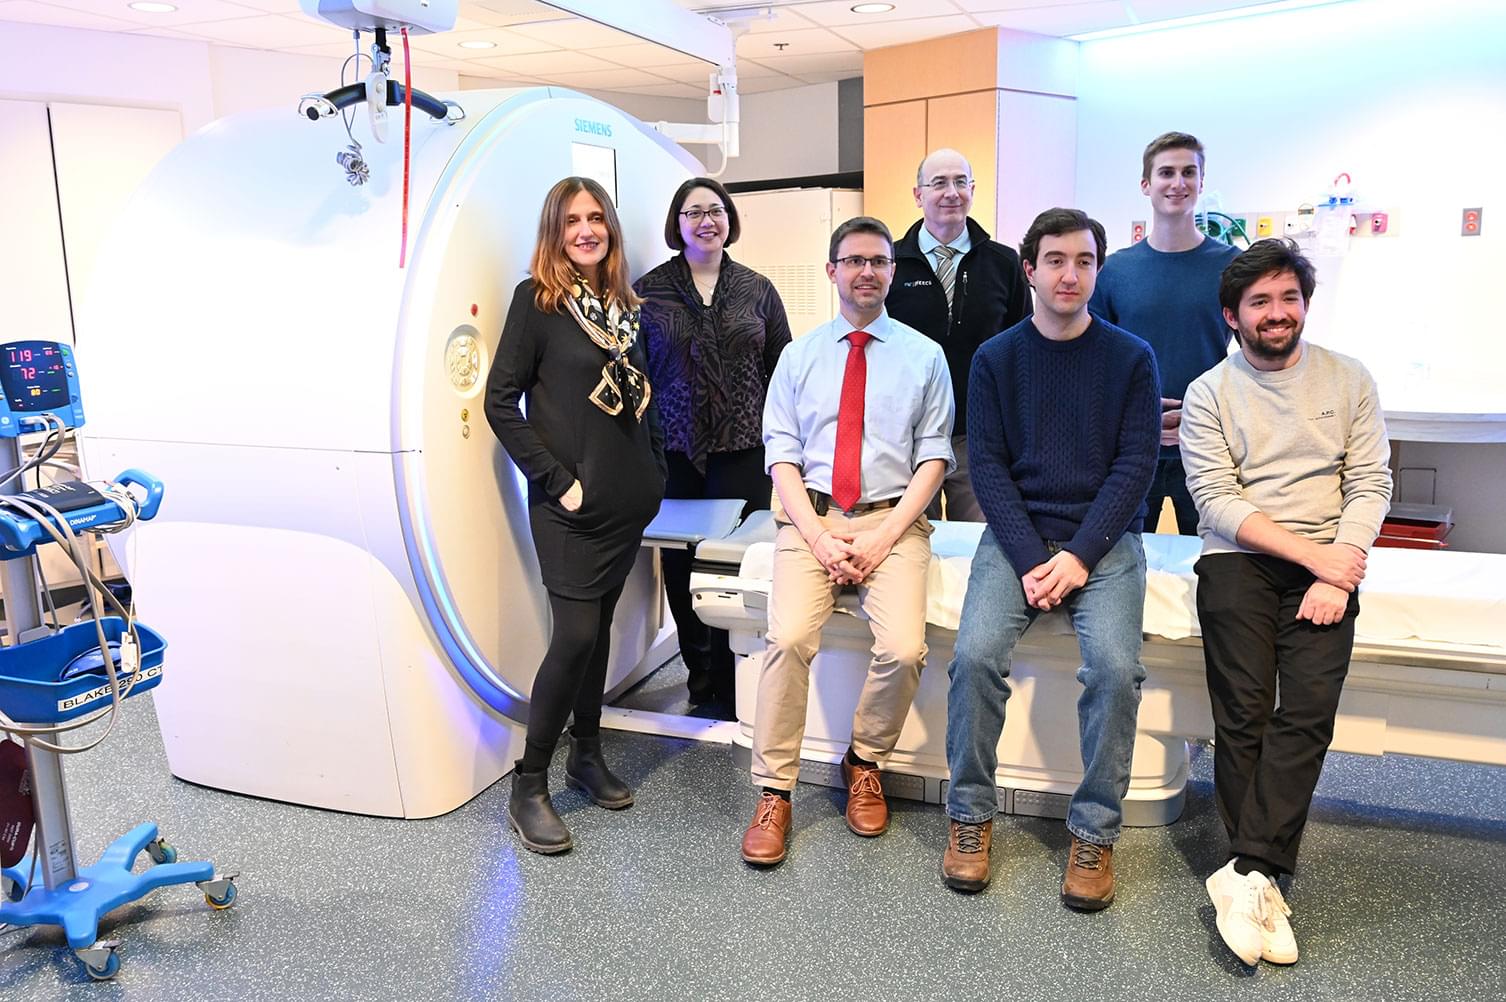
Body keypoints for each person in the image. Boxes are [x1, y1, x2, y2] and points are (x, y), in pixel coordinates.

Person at [942, 208, 1160, 910]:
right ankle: (969, 818)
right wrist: (1037, 557)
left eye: (1086, 261)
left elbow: (1136, 467)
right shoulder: (996, 358)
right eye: (1057, 260)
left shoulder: (1130, 357)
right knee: (973, 656)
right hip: (1017, 538)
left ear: (1099, 268)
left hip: (1106, 540)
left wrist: (1080, 559)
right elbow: (990, 468)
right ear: (1029, 268)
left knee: (1118, 671)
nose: (1072, 274)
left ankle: (1094, 833)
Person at [1181, 238, 1391, 966]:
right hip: (1240, 556)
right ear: (1232, 316)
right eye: (1260, 302)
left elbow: (1371, 482)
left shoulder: (1349, 378)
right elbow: (1217, 501)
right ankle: (1262, 875)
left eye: (1288, 298)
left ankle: (1246, 874)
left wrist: (1340, 573)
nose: (1277, 313)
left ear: (1305, 303)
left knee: (1305, 713)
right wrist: (1316, 560)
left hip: (1329, 563)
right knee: (1242, 710)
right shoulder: (1211, 391)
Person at [740, 216, 954, 867]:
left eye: (879, 261)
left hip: (894, 521)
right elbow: (781, 455)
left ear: (892, 271)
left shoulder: (925, 356)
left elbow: (934, 459)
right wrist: (818, 535)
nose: (867, 271)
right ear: (832, 271)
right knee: (789, 639)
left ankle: (864, 761)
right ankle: (776, 790)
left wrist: (884, 536)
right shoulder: (798, 356)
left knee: (903, 646)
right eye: (854, 260)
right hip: (812, 520)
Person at [484, 176, 666, 855]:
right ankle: (528, 785)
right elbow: (500, 403)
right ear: (554, 232)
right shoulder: (536, 303)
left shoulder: (623, 305)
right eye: (572, 221)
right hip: (570, 509)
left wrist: (653, 474)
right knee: (574, 636)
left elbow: (640, 396)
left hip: (627, 502)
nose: (586, 230)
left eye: (596, 218)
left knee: (599, 634)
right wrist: (558, 482)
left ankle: (585, 758)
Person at [635, 177, 792, 720]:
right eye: (693, 211)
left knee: (738, 564)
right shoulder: (647, 291)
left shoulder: (757, 289)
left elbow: (783, 370)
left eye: (716, 210)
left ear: (729, 220)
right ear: (676, 224)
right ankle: (700, 678)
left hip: (744, 449)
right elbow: (634, 377)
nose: (707, 220)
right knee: (682, 569)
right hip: (674, 454)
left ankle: (738, 678)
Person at [1089, 131, 1239, 534]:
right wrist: (1138, 414)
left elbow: (1255, 362)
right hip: (1132, 451)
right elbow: (1093, 365)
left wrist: (1203, 413)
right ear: (1146, 185)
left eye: (1189, 172)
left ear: (1202, 183)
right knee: (1126, 562)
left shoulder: (1233, 268)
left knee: (1213, 563)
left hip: (1209, 448)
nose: (1178, 183)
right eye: (1166, 173)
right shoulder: (1114, 271)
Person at [886, 148, 1031, 522]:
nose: (951, 192)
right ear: (918, 195)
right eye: (938, 183)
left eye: (960, 182)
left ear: (972, 189)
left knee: (982, 543)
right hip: (908, 433)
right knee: (916, 539)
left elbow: (1023, 346)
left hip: (979, 433)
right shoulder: (891, 265)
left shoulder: (1004, 264)